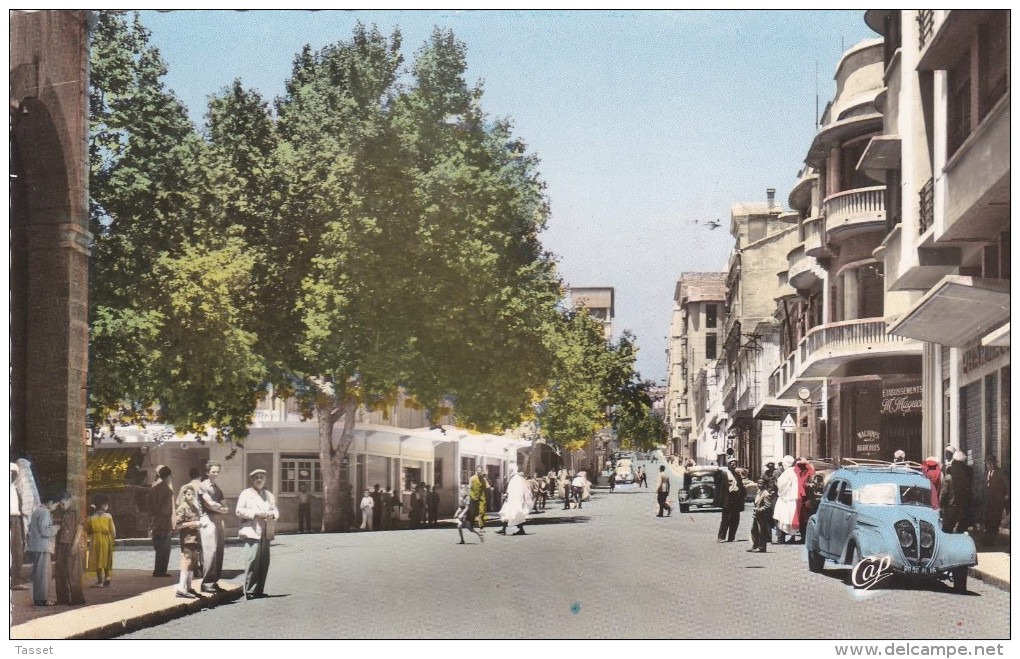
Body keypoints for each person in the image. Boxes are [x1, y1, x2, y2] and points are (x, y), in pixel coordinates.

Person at [236, 469, 279, 600]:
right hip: (252, 531)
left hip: (266, 531)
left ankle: (259, 590)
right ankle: (249, 591)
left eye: (261, 477)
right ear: (252, 480)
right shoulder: (246, 494)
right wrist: (255, 514)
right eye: (256, 478)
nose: (259, 480)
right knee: (252, 560)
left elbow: (275, 510)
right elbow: (239, 511)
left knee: (264, 561)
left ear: (265, 479)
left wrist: (273, 515)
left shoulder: (268, 495)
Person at [198, 460, 229, 594]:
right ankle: (206, 582)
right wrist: (219, 507)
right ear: (207, 472)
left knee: (219, 550)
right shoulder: (202, 486)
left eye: (217, 472)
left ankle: (214, 581)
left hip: (217, 519)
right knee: (210, 551)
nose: (215, 474)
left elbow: (225, 507)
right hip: (207, 519)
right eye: (213, 472)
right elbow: (210, 504)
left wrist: (220, 508)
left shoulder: (217, 488)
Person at [27, 491, 60, 607]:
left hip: (36, 546)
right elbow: (45, 531)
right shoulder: (45, 512)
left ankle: (38, 598)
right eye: (55, 505)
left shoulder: (36, 511)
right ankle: (42, 599)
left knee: (38, 574)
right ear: (50, 502)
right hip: (43, 547)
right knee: (44, 574)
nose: (55, 508)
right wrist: (56, 528)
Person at [53, 491, 86, 605]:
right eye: (60, 505)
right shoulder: (60, 513)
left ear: (69, 501)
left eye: (63, 503)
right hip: (61, 545)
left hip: (71, 544)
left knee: (73, 572)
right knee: (60, 572)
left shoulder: (75, 513)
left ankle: (77, 598)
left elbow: (79, 529)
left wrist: (75, 544)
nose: (61, 506)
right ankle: (62, 598)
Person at [172, 483, 203, 599]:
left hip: (195, 538)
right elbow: (178, 525)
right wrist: (193, 523)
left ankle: (189, 587)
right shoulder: (182, 507)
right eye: (188, 494)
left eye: (192, 494)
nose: (191, 496)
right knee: (186, 561)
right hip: (187, 538)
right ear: (184, 495)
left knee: (193, 562)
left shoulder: (194, 508)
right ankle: (181, 587)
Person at [148, 465, 174, 577]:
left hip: (155, 521)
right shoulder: (168, 491)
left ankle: (157, 570)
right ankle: (161, 571)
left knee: (158, 547)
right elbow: (167, 509)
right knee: (165, 548)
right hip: (164, 522)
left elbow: (149, 507)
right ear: (168, 476)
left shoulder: (153, 489)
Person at [86, 494, 116, 588]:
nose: (107, 506)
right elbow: (113, 531)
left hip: (95, 540)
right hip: (106, 539)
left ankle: (100, 581)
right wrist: (112, 538)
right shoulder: (108, 516)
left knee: (97, 559)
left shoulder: (91, 517)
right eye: (107, 504)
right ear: (103, 505)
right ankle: (107, 577)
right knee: (107, 557)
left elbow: (88, 530)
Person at [497, 464, 534, 536]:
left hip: (514, 500)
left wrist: (509, 495)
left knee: (514, 514)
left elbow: (517, 491)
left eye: (510, 469)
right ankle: (504, 529)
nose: (509, 471)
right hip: (511, 499)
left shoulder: (516, 478)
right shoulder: (514, 478)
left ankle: (516, 529)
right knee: (507, 514)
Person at [941, 450, 973, 534]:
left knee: (946, 531)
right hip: (963, 509)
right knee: (960, 532)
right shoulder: (967, 476)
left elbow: (943, 494)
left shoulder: (948, 478)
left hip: (951, 508)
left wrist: (940, 506)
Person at [748, 463, 775, 553]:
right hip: (756, 515)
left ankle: (762, 547)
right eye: (758, 483)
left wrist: (759, 509)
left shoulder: (766, 494)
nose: (759, 485)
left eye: (761, 483)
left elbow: (767, 506)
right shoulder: (758, 492)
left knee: (761, 531)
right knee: (754, 530)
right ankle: (755, 545)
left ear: (764, 484)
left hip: (762, 516)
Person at [717, 458, 745, 542]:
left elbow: (741, 487)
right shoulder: (724, 475)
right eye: (732, 464)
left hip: (736, 498)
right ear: (728, 465)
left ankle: (731, 537)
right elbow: (720, 489)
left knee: (735, 518)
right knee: (726, 519)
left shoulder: (737, 475)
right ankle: (721, 537)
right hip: (728, 498)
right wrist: (721, 501)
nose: (734, 466)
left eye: (735, 464)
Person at [983, 455, 1009, 544]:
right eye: (987, 463)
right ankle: (988, 537)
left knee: (995, 519)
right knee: (988, 519)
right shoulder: (986, 473)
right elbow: (984, 486)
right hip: (988, 501)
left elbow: (1008, 484)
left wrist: (1007, 495)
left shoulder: (1000, 472)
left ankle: (992, 538)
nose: (989, 465)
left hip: (997, 501)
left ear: (994, 463)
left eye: (991, 463)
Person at [773, 455, 798, 543]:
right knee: (790, 518)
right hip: (793, 499)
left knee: (781, 518)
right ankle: (792, 537)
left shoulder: (787, 473)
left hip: (784, 499)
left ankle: (781, 538)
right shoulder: (795, 472)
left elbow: (780, 484)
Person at [10, 463, 27, 591]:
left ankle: (17, 580)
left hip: (16, 519)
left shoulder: (15, 489)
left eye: (12, 474)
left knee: (17, 550)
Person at [794, 457, 818, 539]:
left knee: (806, 518)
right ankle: (803, 536)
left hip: (808, 497)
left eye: (802, 465)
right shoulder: (798, 473)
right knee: (800, 518)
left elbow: (814, 484)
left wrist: (806, 485)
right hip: (799, 498)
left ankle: (807, 537)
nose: (800, 467)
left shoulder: (810, 473)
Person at [469, 467, 489, 531]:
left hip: (482, 498)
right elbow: (469, 487)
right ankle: (471, 524)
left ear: (482, 471)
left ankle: (481, 527)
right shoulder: (472, 478)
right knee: (473, 512)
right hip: (473, 497)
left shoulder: (484, 479)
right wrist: (469, 496)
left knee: (482, 511)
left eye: (481, 470)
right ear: (476, 471)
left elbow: (487, 486)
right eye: (478, 470)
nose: (479, 472)